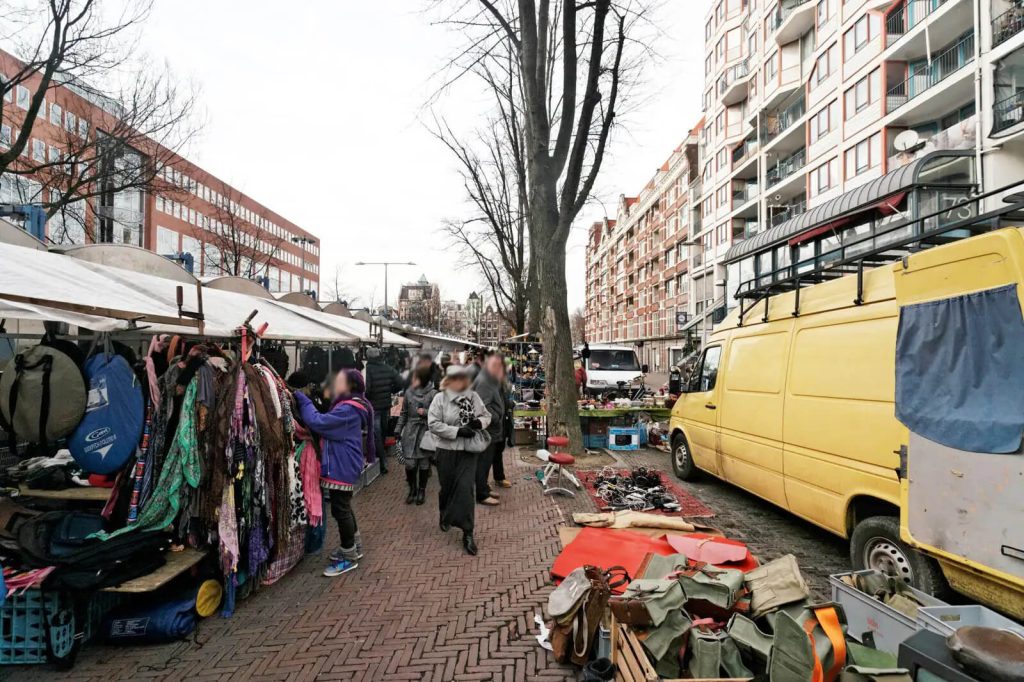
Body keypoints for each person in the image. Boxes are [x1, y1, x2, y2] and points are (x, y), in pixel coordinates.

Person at [293, 368, 375, 577]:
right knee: (344, 506)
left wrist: (304, 400)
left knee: (340, 509)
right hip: (344, 462)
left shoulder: (348, 409)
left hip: (342, 464)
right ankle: (354, 546)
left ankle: (349, 556)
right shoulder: (351, 405)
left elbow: (318, 422)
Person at [428, 365, 491, 555]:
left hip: (467, 451)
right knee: (446, 488)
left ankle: (468, 532)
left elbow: (486, 416)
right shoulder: (440, 399)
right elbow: (433, 424)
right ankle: (444, 513)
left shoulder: (473, 397)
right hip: (446, 451)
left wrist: (479, 422)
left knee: (465, 490)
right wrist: (457, 431)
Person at [396, 365, 438, 505]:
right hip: (410, 432)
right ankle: (412, 489)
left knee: (424, 463)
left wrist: (425, 412)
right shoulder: (408, 392)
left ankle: (421, 490)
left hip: (425, 432)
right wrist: (398, 429)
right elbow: (404, 413)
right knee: (410, 463)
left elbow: (438, 414)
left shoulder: (433, 393)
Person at [472, 354, 509, 505]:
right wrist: (497, 417)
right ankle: (481, 494)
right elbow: (482, 407)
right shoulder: (485, 382)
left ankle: (485, 488)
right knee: (483, 462)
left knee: (486, 462)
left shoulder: (491, 379)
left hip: (492, 430)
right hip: (488, 430)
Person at [364, 346, 402, 474]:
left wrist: (367, 398)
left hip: (374, 407)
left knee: (376, 435)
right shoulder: (387, 368)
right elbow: (400, 382)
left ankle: (382, 462)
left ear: (368, 357)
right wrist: (391, 390)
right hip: (385, 405)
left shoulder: (368, 369)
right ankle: (381, 459)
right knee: (382, 432)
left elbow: (367, 389)